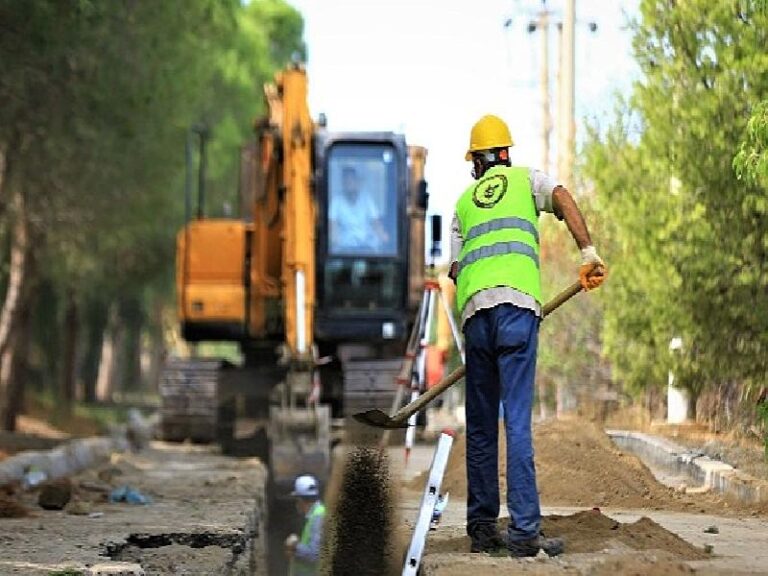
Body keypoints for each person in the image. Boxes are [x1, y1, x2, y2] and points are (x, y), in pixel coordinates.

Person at [448, 114, 606, 557]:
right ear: (506, 154)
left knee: (481, 427)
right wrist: (587, 252)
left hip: (476, 316)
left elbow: (458, 271)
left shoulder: (461, 205)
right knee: (516, 420)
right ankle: (523, 534)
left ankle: (481, 530)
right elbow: (561, 196)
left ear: (476, 163)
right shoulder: (525, 180)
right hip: (517, 310)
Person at [329, 165, 390, 253]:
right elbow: (332, 225)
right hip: (345, 248)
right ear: (342, 183)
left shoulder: (367, 199)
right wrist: (333, 241)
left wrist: (385, 239)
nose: (348, 183)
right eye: (346, 180)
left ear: (357, 182)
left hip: (367, 246)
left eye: (351, 180)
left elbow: (375, 223)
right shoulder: (336, 201)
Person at [284, 474, 326, 575]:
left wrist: (295, 546)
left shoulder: (318, 518)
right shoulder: (316, 515)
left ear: (300, 500)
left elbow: (314, 555)